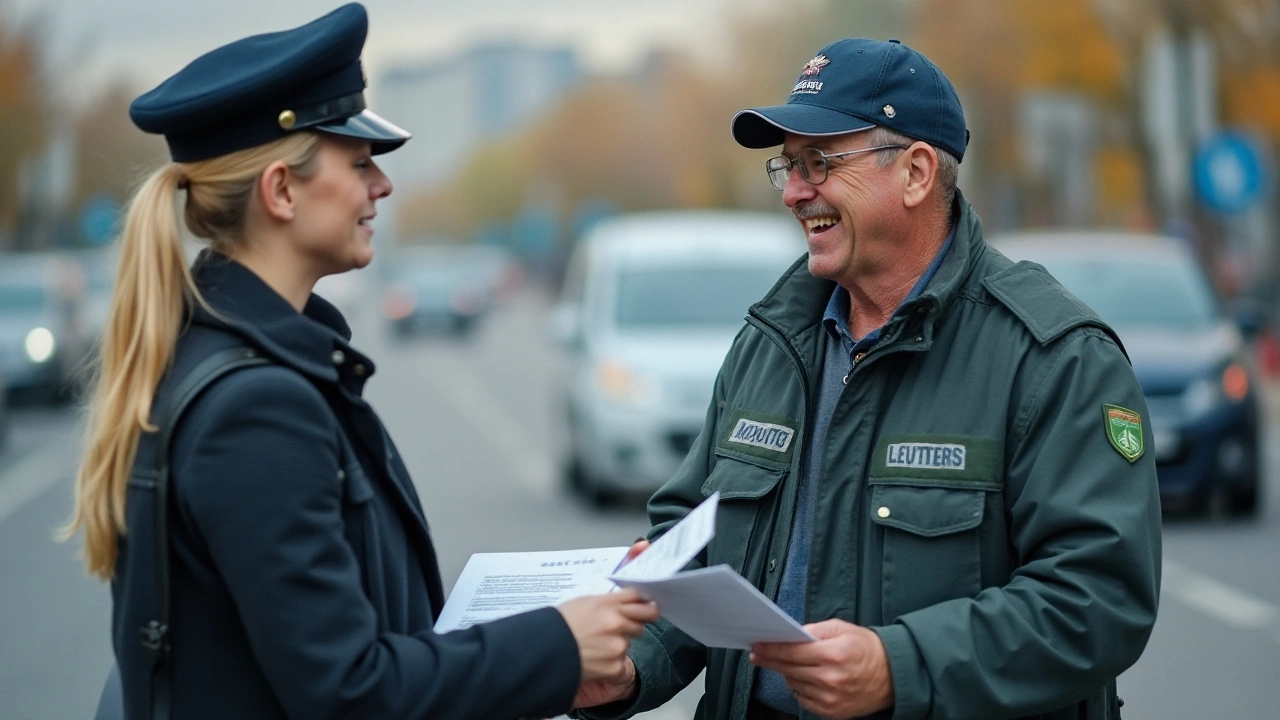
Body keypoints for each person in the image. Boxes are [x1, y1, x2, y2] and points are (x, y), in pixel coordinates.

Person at [63, 4, 657, 719]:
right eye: (360, 163)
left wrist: (545, 650)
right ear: (281, 190)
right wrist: (557, 644)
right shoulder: (257, 406)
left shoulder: (234, 358)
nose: (384, 187)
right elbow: (349, 693)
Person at [573, 38, 1161, 720]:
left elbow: (1097, 598)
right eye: (787, 167)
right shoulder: (771, 342)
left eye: (819, 163)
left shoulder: (1052, 357)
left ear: (915, 173)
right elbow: (691, 542)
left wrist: (897, 668)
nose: (795, 192)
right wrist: (629, 665)